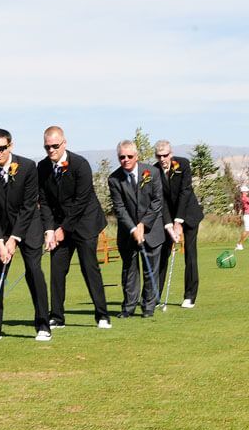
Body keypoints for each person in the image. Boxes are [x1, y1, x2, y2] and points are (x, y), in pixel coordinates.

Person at [0, 129, 52, 342]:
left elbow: (29, 206)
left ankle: (43, 325)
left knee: (33, 270)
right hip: (0, 229)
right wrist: (1, 242)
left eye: (2, 148)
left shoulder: (28, 166)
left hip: (28, 227)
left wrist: (14, 238)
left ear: (10, 146)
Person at [37, 126, 111, 329]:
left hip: (85, 223)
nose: (51, 150)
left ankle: (102, 315)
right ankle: (57, 317)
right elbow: (44, 202)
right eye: (47, 147)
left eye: (55, 146)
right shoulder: (42, 168)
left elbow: (81, 201)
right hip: (61, 224)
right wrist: (49, 230)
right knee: (57, 270)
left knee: (89, 268)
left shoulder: (80, 165)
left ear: (64, 143)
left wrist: (63, 229)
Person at [108, 140, 163, 318]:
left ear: (136, 156)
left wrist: (143, 224)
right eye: (121, 157)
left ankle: (148, 307)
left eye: (129, 156)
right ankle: (129, 307)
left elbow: (157, 201)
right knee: (130, 270)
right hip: (127, 232)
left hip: (151, 229)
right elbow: (119, 208)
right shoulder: (114, 179)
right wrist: (133, 228)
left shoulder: (152, 172)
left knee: (150, 270)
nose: (125, 159)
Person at [153, 140, 204, 308]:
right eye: (159, 156)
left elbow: (185, 192)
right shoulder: (154, 171)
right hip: (168, 217)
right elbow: (162, 201)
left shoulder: (183, 164)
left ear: (171, 153)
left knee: (190, 254)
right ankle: (155, 296)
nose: (162, 159)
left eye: (165, 155)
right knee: (163, 254)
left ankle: (190, 296)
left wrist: (178, 221)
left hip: (188, 215)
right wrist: (169, 225)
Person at [236, 186, 249, 250]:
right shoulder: (244, 198)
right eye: (246, 191)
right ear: (243, 192)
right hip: (247, 215)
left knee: (248, 231)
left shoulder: (245, 198)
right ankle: (239, 244)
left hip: (247, 215)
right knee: (247, 231)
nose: (247, 192)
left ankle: (240, 244)